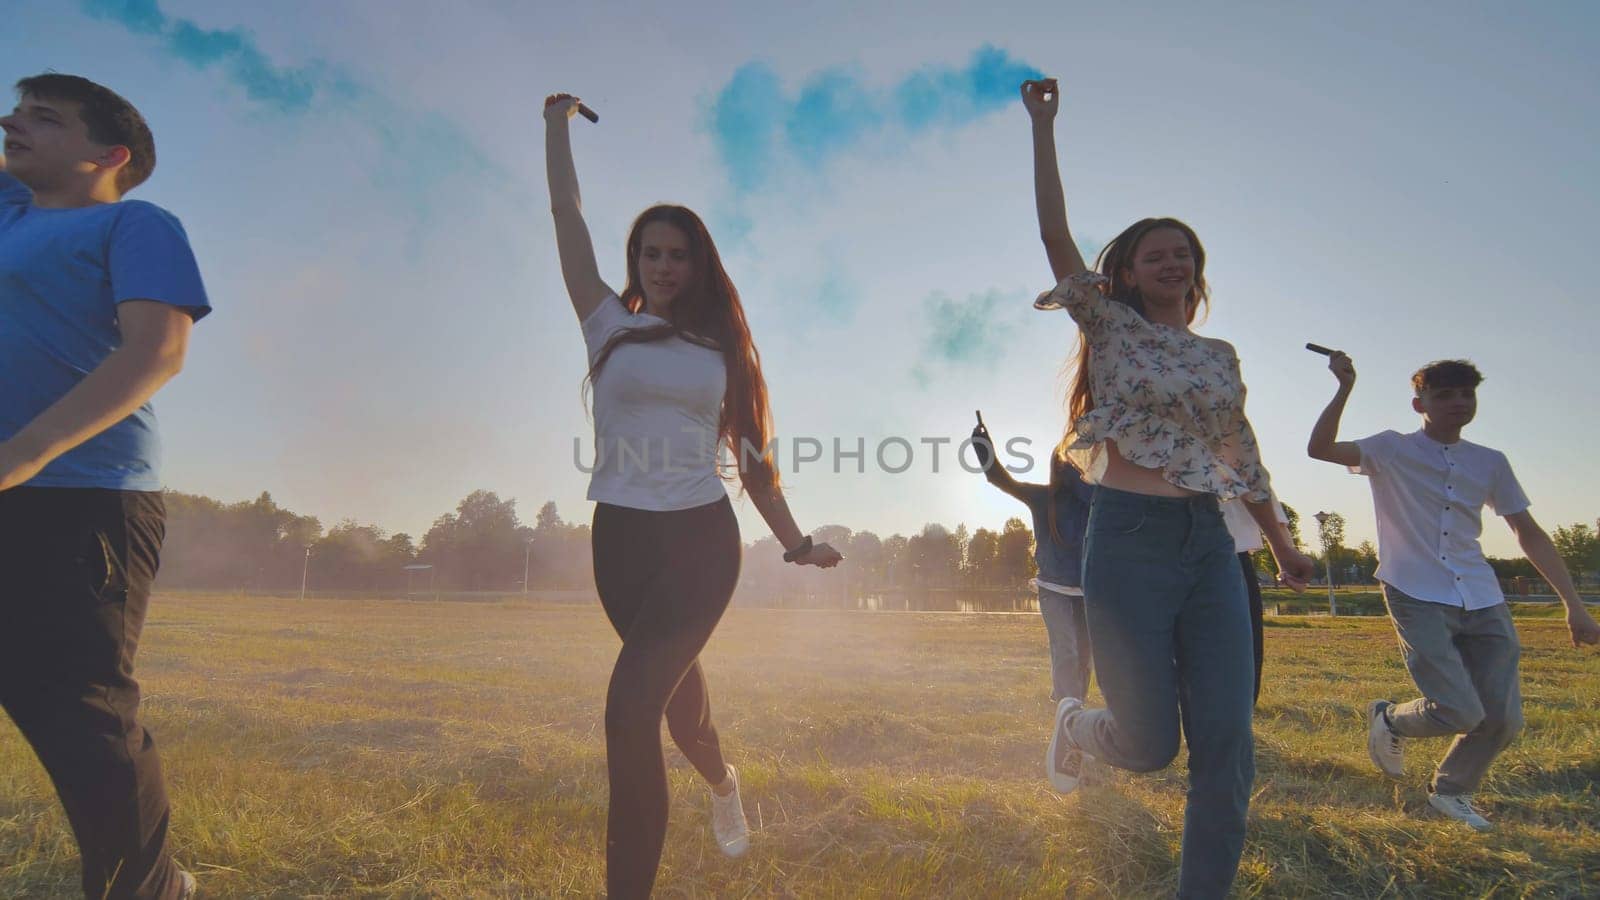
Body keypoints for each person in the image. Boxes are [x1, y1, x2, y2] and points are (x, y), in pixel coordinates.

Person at [544, 91, 843, 899]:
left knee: (629, 712)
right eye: (650, 253)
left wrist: (795, 540)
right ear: (635, 261)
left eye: (677, 254)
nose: (663, 266)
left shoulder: (721, 352)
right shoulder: (606, 324)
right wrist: (554, 129)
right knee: (680, 714)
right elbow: (566, 220)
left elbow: (753, 463)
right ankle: (723, 782)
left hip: (701, 545)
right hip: (622, 543)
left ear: (698, 263)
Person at [1021, 77, 1313, 900]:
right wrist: (1044, 128)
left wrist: (1284, 546)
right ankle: (1077, 726)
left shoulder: (1218, 357)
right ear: (1129, 270)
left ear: (1196, 271)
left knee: (1228, 746)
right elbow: (1053, 234)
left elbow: (1242, 456)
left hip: (1210, 551)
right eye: (1155, 251)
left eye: (1182, 250)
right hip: (1127, 544)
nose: (1171, 259)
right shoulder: (1110, 325)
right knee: (1150, 745)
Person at [0, 74, 210, 900]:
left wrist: (26, 450)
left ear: (108, 155)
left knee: (81, 713)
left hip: (85, 493)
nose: (13, 122)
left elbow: (157, 350)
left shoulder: (136, 221)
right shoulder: (11, 217)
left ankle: (146, 889)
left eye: (43, 118)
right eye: (15, 111)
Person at [1308, 353, 1600, 830]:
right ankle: (1391, 719)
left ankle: (1451, 792)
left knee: (1503, 718)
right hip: (1414, 588)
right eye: (1445, 395)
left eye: (1467, 394)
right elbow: (1319, 449)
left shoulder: (1489, 462)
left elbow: (1527, 532)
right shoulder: (1391, 448)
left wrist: (1574, 606)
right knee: (1460, 710)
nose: (1459, 403)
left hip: (1481, 594)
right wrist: (1343, 388)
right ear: (1418, 402)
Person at [970, 423, 1095, 705]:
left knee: (1085, 659)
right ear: (1061, 467)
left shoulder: (1094, 500)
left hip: (1087, 593)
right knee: (1066, 651)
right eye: (1072, 463)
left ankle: (1073, 707)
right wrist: (983, 445)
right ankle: (1069, 708)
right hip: (1054, 590)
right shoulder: (1042, 498)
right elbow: (999, 479)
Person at [1219, 494, 1290, 706]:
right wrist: (1285, 552)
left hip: (1228, 556)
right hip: (1228, 557)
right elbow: (1254, 482)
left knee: (1238, 666)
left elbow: (1255, 483)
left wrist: (1285, 552)